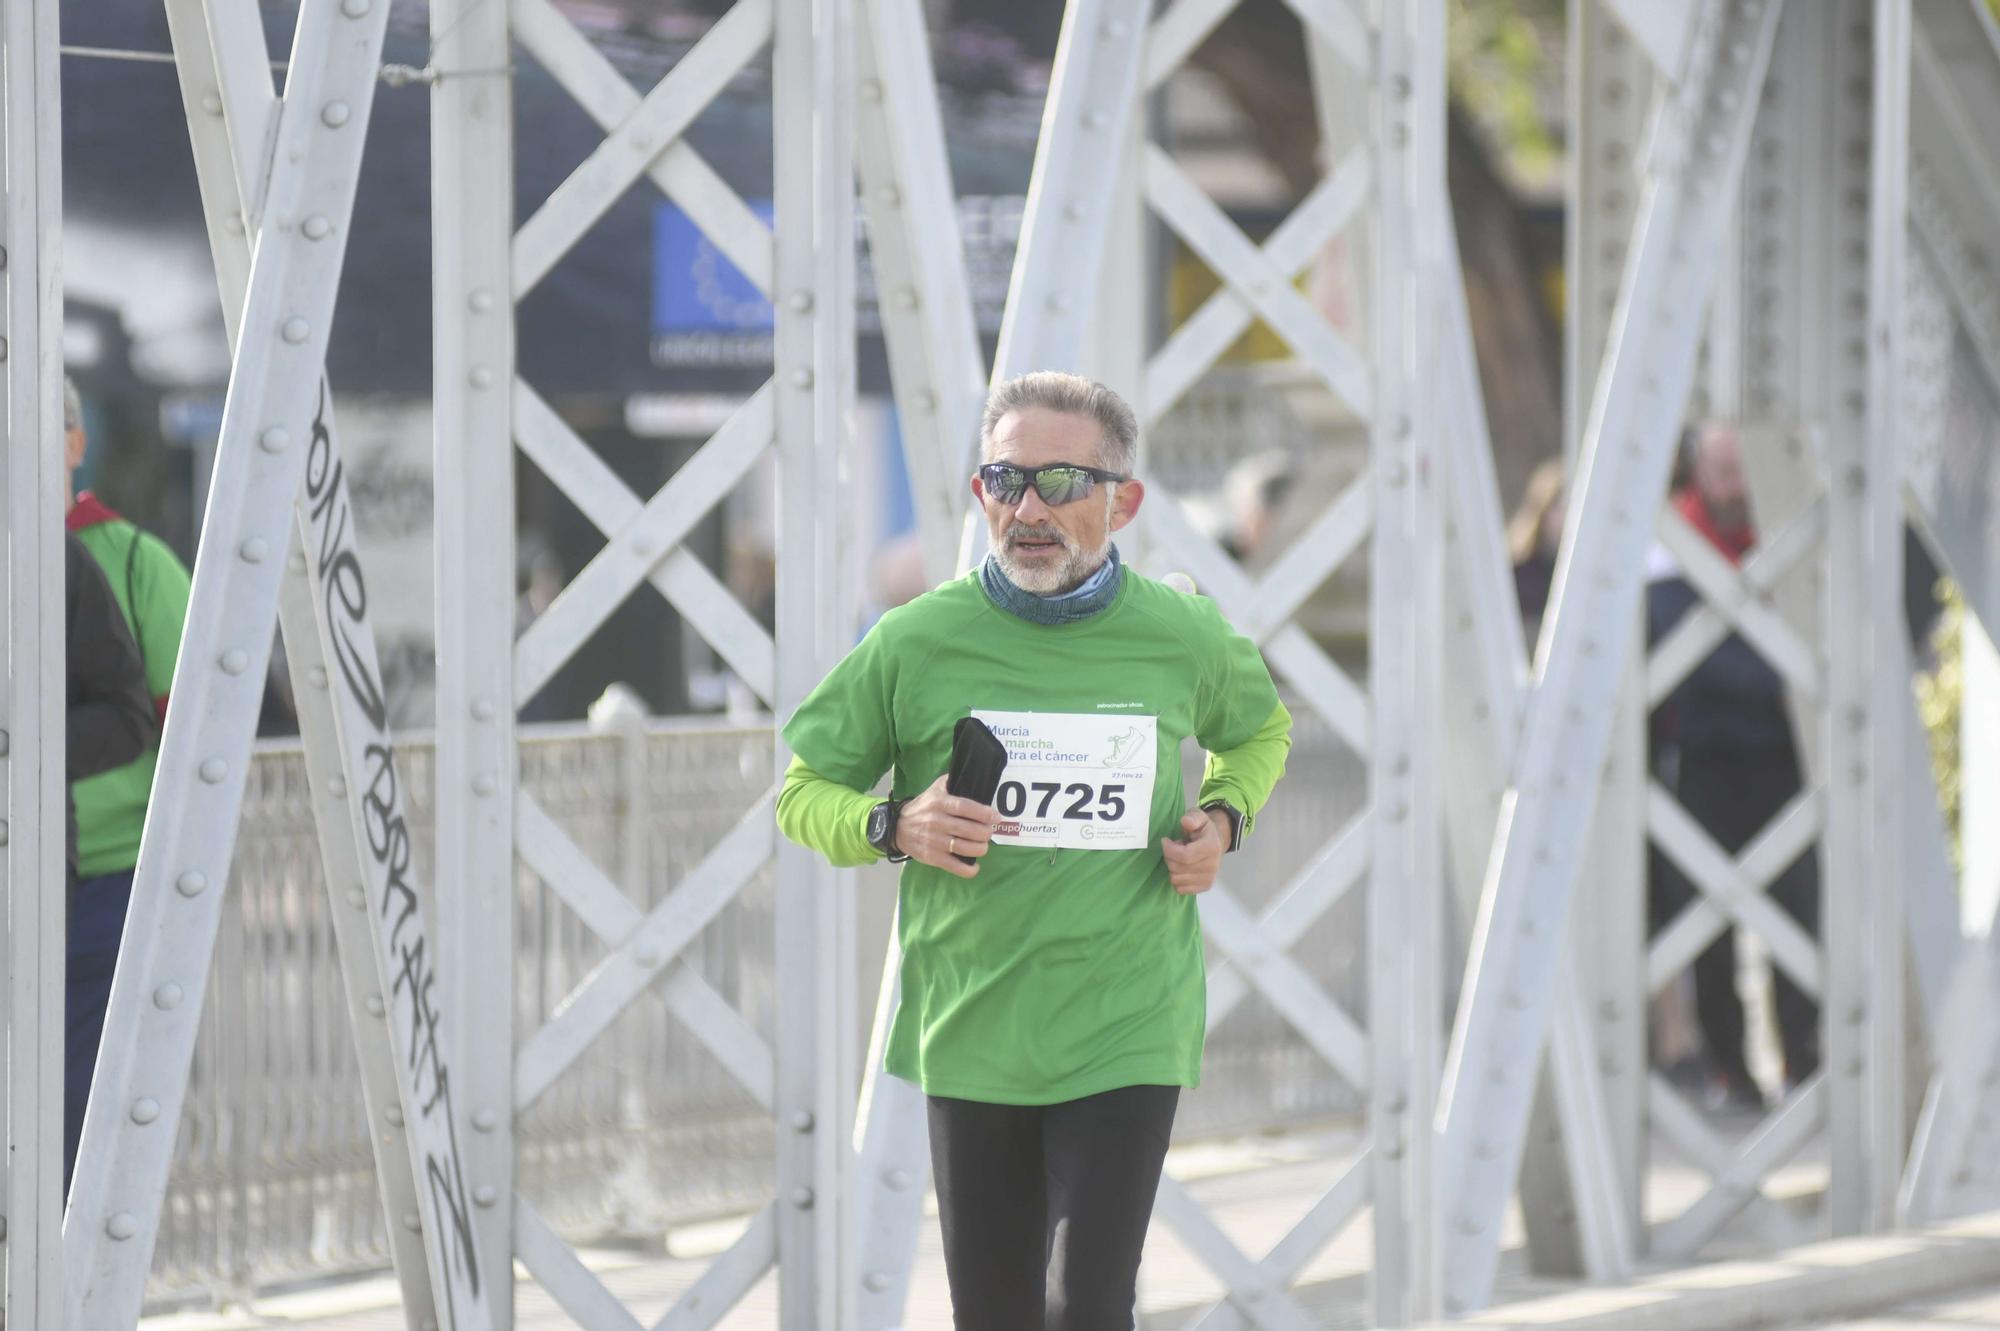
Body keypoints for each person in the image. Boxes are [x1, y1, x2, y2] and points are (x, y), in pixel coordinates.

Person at [776, 371, 1292, 1329]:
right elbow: (802, 794)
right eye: (1005, 482)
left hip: (1126, 1022)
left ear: (1122, 501)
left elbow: (1260, 733)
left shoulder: (1180, 633)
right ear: (980, 495)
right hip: (976, 1028)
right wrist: (894, 825)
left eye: (1061, 481)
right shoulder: (914, 641)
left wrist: (1222, 821)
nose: (1029, 509)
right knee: (997, 1316)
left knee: (1086, 1305)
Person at [1648, 421, 1819, 1110]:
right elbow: (1688, 657)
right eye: (1722, 469)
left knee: (1798, 915)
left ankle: (1802, 1061)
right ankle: (1733, 1070)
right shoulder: (1669, 549)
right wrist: (1783, 680)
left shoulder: (1786, 534)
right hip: (1706, 762)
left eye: (1742, 467)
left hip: (1782, 759)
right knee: (1708, 927)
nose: (1735, 484)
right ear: (1697, 471)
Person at [62, 374, 188, 1189]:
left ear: (75, 444)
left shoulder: (138, 562)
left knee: (75, 1111)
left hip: (108, 881)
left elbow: (187, 723)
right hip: (58, 875)